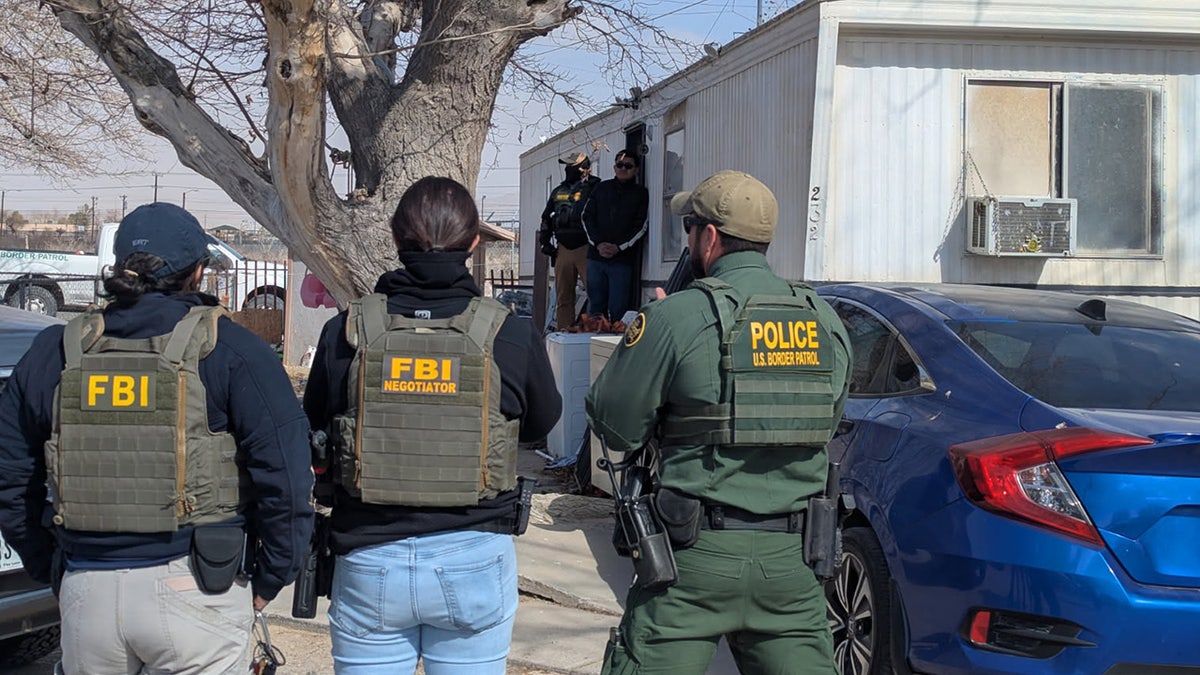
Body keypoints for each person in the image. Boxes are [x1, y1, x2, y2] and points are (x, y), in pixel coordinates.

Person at [0, 202, 315, 674]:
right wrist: (274, 575)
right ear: (199, 273)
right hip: (199, 585)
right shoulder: (231, 349)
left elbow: (10, 476)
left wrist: (54, 565)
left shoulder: (57, 349)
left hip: (89, 587)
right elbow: (287, 477)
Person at [586, 170, 852, 674]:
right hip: (793, 563)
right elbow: (827, 422)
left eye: (689, 228)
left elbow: (615, 426)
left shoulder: (677, 318)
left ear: (707, 237)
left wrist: (651, 340)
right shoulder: (824, 319)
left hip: (692, 561)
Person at [303, 176, 562, 674]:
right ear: (473, 242)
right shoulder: (506, 331)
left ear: (397, 238)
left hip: (369, 554)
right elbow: (540, 425)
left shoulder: (347, 330)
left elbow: (314, 426)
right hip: (474, 555)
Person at [581, 149, 649, 322]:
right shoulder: (601, 188)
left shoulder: (641, 193)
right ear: (614, 167)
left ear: (636, 170)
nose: (623, 169)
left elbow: (641, 225)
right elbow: (586, 216)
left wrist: (618, 247)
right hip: (596, 259)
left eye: (628, 166)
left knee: (618, 309)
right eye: (620, 165)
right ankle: (591, 345)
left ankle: (614, 347)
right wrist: (598, 244)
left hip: (622, 261)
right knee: (595, 308)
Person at [539, 151, 601, 330]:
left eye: (572, 166)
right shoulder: (558, 191)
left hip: (587, 248)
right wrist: (545, 242)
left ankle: (595, 330)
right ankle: (565, 330)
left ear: (584, 168)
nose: (567, 169)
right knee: (563, 296)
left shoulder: (596, 187)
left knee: (595, 294)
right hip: (563, 249)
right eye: (567, 167)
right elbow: (546, 218)